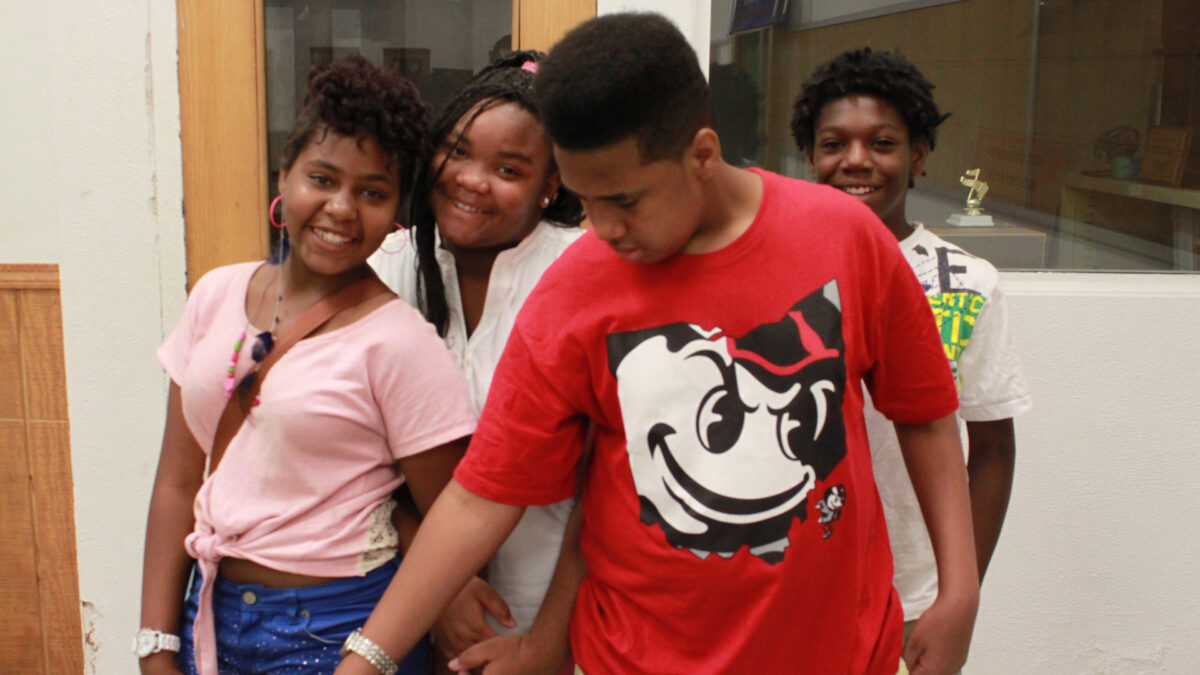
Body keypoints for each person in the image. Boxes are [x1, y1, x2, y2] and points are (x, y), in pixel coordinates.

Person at [334, 13, 980, 675]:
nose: (605, 228)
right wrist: (368, 656)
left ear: (701, 154)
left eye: (624, 200)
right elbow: (479, 498)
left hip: (838, 654)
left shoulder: (844, 237)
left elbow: (926, 416)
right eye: (585, 201)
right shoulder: (573, 293)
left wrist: (960, 590)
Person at [138, 55, 477, 675]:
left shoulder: (400, 342)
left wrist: (368, 658)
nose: (342, 208)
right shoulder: (215, 294)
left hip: (334, 632)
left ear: (396, 212)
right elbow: (177, 483)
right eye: (322, 178)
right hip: (206, 618)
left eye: (372, 192)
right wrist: (156, 644)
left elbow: (453, 524)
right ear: (285, 176)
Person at [791, 47, 1032, 667]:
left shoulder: (965, 281)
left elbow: (993, 449)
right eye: (833, 143)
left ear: (918, 156)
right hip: (793, 583)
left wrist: (959, 595)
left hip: (912, 592)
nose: (856, 161)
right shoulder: (780, 270)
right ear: (809, 157)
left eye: (882, 143)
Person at [367, 50, 584, 668]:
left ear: (550, 186)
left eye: (508, 168)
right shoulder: (387, 269)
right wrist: (443, 583)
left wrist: (546, 643)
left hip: (559, 615)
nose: (470, 178)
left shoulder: (582, 276)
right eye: (457, 151)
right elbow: (360, 463)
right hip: (409, 606)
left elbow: (612, 484)